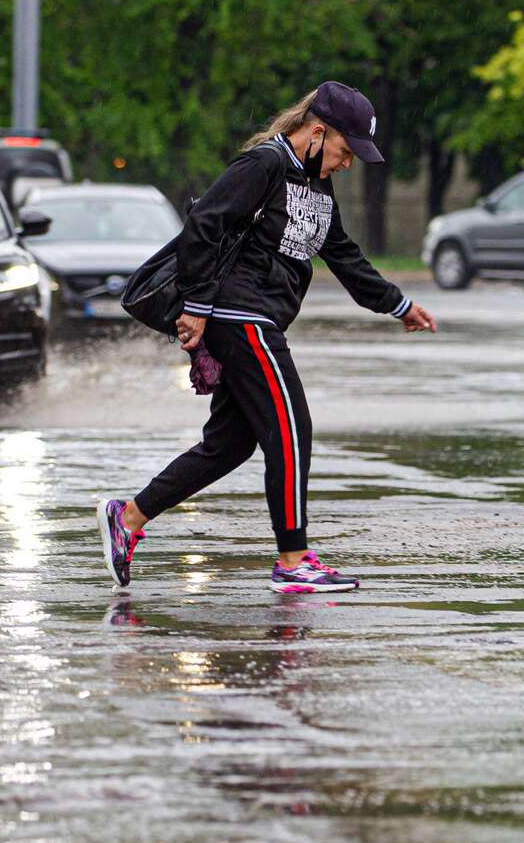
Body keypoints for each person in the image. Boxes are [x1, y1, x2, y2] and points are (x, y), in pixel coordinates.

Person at [97, 82, 437, 593]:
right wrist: (196, 306)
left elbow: (341, 253)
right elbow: (203, 226)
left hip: (261, 318)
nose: (348, 165)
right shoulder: (263, 166)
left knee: (230, 444)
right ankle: (293, 559)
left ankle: (127, 517)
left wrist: (398, 304)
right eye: (346, 152)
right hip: (240, 315)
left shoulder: (316, 185)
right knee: (292, 428)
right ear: (318, 132)